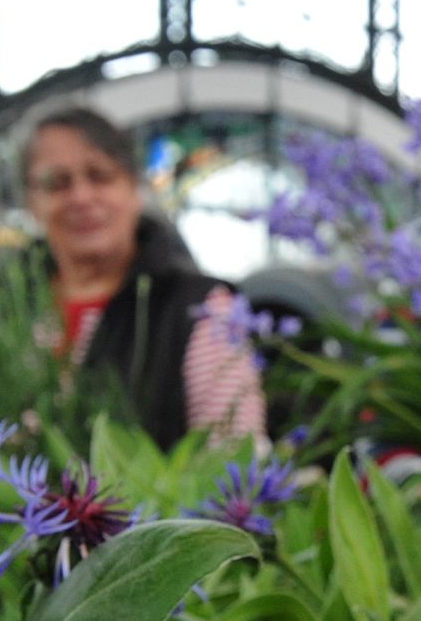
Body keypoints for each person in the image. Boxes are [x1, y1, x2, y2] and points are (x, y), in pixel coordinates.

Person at [21, 107, 264, 447]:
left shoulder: (204, 308)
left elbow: (235, 459)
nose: (81, 197)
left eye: (100, 175)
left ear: (134, 188)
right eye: (57, 183)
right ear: (32, 201)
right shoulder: (1, 305)